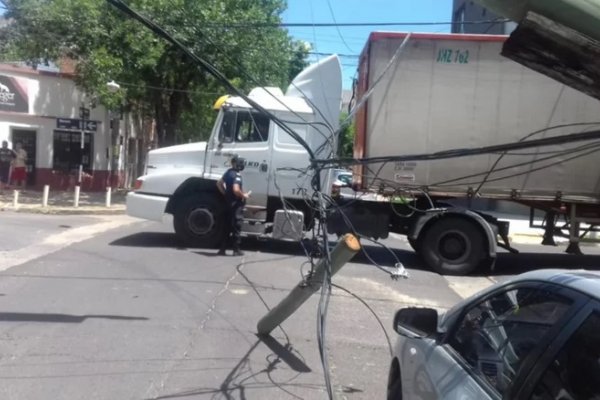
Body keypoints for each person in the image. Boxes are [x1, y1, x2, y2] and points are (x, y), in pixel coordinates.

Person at [216, 155, 250, 256]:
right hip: (236, 204)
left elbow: (219, 183)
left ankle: (222, 249)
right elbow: (236, 189)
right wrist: (244, 195)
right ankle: (236, 250)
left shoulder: (228, 172)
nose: (242, 164)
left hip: (227, 203)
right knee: (236, 226)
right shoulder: (237, 175)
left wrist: (225, 193)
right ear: (236, 163)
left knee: (226, 226)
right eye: (240, 162)